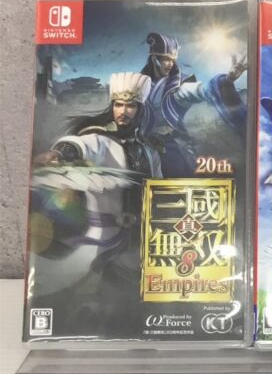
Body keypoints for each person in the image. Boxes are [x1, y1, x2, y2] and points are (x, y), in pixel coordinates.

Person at [32, 72, 161, 336]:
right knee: (96, 304)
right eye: (118, 104)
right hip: (103, 240)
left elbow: (159, 188)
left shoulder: (150, 150)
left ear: (140, 109)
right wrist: (59, 153)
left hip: (145, 241)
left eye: (130, 105)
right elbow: (81, 145)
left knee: (140, 306)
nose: (122, 111)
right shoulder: (102, 140)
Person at [139, 32, 248, 176]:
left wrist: (227, 80)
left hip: (169, 146)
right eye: (166, 59)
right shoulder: (138, 85)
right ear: (154, 58)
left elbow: (203, 90)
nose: (170, 64)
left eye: (173, 60)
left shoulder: (177, 88)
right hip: (140, 144)